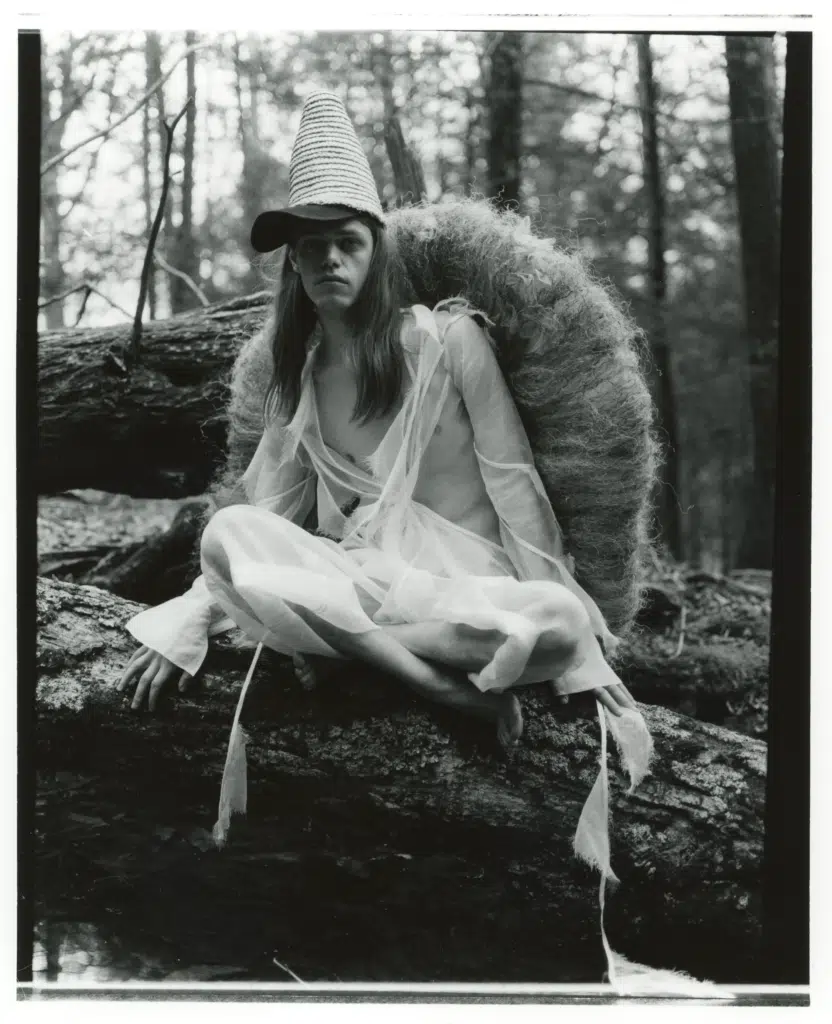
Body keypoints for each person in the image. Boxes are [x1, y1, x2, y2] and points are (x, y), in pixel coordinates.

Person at [119, 91, 639, 752]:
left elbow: (518, 491)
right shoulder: (297, 376)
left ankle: (351, 656)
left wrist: (588, 661)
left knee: (561, 621)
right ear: (295, 265)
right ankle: (438, 687)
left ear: (375, 254)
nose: (329, 259)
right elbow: (269, 517)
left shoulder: (450, 340)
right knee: (227, 531)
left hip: (464, 592)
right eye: (312, 247)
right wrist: (192, 615)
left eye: (347, 242)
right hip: (362, 584)